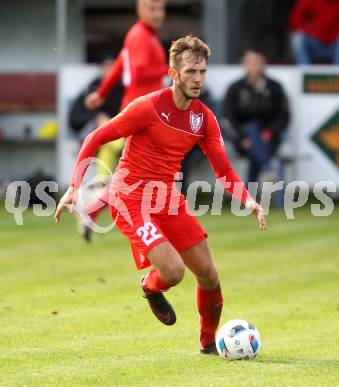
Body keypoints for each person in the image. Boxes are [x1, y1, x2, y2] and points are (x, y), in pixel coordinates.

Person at [55, 36, 267, 355]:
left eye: (202, 72)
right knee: (174, 271)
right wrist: (74, 186)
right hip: (129, 200)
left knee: (209, 276)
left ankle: (209, 344)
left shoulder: (203, 118)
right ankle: (150, 287)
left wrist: (247, 199)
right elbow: (95, 137)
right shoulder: (148, 107)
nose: (197, 79)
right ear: (173, 73)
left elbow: (223, 170)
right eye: (190, 72)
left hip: (166, 197)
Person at [81, 0, 168, 241]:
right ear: (140, 10)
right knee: (146, 169)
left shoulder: (138, 34)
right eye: (152, 8)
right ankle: (98, 208)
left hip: (143, 111)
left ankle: (94, 209)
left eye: (161, 8)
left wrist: (101, 94)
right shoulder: (141, 36)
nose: (158, 14)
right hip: (142, 114)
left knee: (134, 171)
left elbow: (121, 64)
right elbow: (138, 72)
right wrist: (171, 69)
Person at [221, 49, 289, 184]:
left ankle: (249, 199)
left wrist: (270, 132)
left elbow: (284, 115)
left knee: (256, 147)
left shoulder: (275, 87)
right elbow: (226, 117)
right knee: (251, 129)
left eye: (257, 62)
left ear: (264, 64)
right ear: (244, 64)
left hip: (269, 139)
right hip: (242, 141)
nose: (254, 66)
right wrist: (240, 138)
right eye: (251, 62)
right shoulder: (235, 88)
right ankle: (268, 168)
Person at [289, 0, 339, 65]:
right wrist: (308, 30)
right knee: (297, 37)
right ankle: (304, 71)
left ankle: (337, 72)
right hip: (315, 44)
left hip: (334, 46)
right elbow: (295, 20)